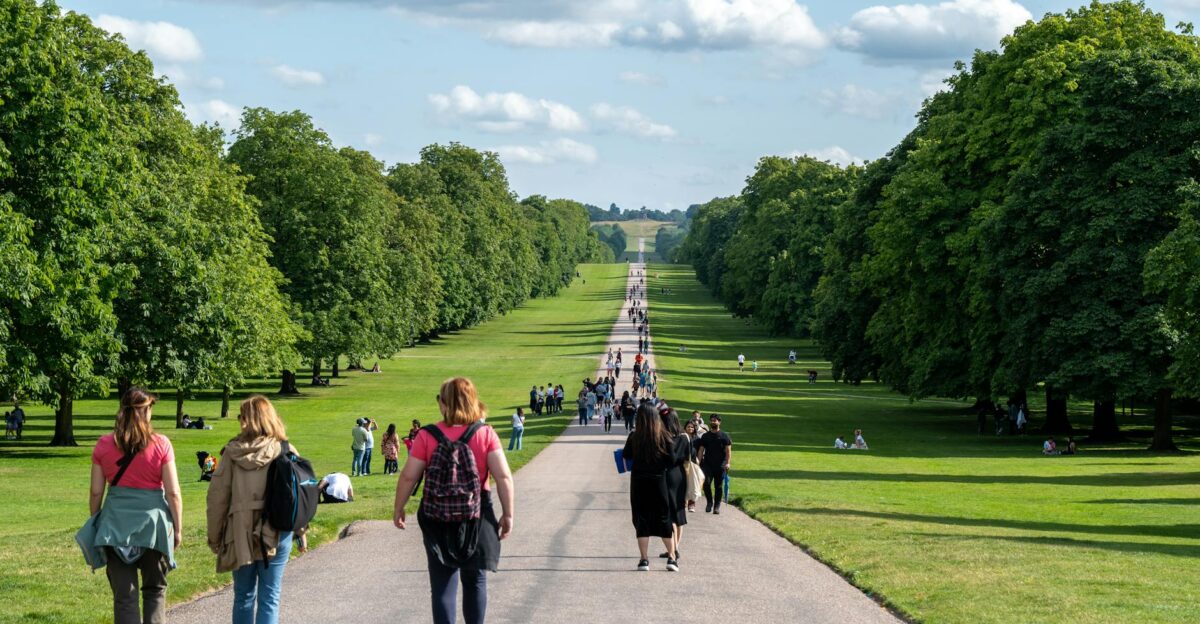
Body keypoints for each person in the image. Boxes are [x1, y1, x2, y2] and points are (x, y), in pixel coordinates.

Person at [392, 377, 515, 624]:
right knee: (475, 580)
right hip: (476, 513)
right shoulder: (485, 433)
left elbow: (408, 477)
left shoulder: (427, 435)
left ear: (444, 403)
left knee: (442, 585)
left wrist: (399, 508)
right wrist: (508, 514)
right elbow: (503, 476)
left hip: (437, 514)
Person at [85, 387, 182, 624]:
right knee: (155, 590)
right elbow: (173, 492)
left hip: (115, 525)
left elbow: (97, 491)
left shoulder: (104, 444)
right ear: (146, 411)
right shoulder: (161, 444)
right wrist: (177, 529)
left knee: (124, 596)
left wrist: (97, 520)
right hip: (153, 526)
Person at [206, 395, 304, 624]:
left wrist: (215, 537)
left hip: (239, 530)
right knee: (270, 597)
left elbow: (217, 499)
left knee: (243, 596)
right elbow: (298, 496)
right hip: (277, 529)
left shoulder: (232, 452)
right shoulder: (286, 449)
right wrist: (301, 530)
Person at [623, 403, 681, 572]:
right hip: (659, 481)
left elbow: (626, 455)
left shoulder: (635, 436)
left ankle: (644, 559)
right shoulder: (664, 436)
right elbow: (672, 460)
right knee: (663, 518)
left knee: (641, 520)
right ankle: (671, 557)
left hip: (639, 481)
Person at [658, 408, 689, 561]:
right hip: (680, 475)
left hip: (667, 474)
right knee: (678, 512)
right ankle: (675, 547)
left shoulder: (663, 437)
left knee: (669, 512)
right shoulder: (684, 437)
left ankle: (673, 549)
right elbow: (689, 456)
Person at [696, 414, 731, 514]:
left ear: (719, 422)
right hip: (708, 464)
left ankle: (717, 506)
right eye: (711, 420)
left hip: (721, 465)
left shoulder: (724, 436)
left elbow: (728, 451)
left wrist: (728, 463)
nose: (713, 422)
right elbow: (701, 450)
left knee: (718, 486)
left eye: (715, 421)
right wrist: (698, 463)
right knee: (706, 483)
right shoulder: (705, 436)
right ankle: (709, 502)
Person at [682, 420, 703, 512]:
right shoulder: (682, 438)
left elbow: (700, 451)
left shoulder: (697, 439)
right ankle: (683, 501)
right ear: (685, 428)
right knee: (683, 483)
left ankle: (692, 503)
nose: (690, 428)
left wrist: (698, 460)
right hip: (683, 463)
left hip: (694, 463)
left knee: (694, 482)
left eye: (692, 427)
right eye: (688, 427)